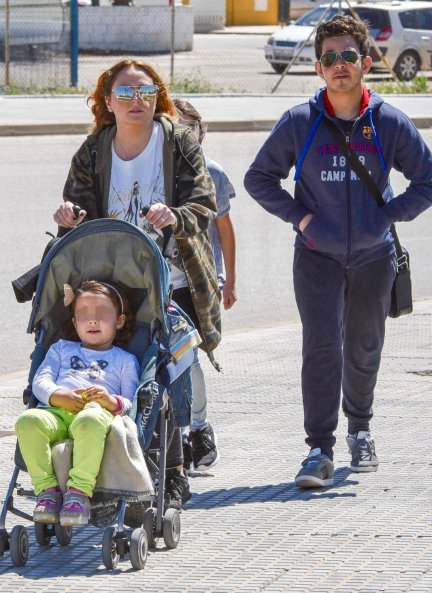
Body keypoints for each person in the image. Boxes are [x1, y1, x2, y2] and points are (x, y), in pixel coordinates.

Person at [244, 15, 432, 488]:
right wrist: (301, 218)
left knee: (364, 345)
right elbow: (258, 179)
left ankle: (361, 429)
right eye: (329, 58)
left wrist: (388, 217)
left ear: (367, 63)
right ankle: (318, 450)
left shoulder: (388, 122)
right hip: (316, 256)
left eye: (348, 56)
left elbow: (427, 180)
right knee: (322, 346)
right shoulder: (300, 122)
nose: (339, 65)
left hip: (374, 256)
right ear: (318, 68)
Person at [52, 58, 221, 506]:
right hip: (111, 281)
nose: (135, 102)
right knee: (122, 374)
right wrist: (69, 216)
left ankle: (175, 463)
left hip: (174, 275)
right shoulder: (93, 150)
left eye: (145, 93)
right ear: (108, 101)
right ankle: (105, 463)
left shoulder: (179, 142)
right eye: (124, 94)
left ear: (157, 98)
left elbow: (205, 205)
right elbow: (78, 207)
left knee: (172, 366)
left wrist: (175, 216)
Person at [15, 280, 140, 526]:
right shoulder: (61, 349)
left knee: (90, 417)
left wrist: (108, 400)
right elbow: (40, 381)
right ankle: (47, 491)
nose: (92, 320)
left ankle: (79, 493)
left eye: (102, 314)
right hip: (57, 411)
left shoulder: (125, 360)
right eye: (84, 314)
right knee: (28, 420)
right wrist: (56, 395)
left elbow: (131, 402)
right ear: (74, 322)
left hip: (96, 415)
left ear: (119, 321)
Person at [173, 98, 237, 472]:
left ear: (198, 131)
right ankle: (174, 434)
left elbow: (225, 232)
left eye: (185, 128)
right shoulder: (156, 169)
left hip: (197, 282)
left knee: (189, 357)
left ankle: (197, 427)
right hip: (158, 279)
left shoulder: (213, 173)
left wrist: (228, 280)